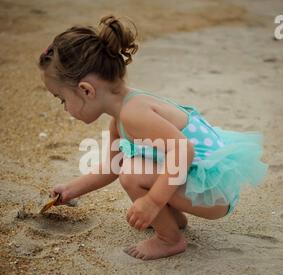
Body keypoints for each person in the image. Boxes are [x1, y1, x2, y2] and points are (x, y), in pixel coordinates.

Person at [38, 14, 269, 260]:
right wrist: (72, 189)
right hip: (203, 186)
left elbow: (183, 150)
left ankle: (169, 239)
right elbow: (109, 168)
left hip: (213, 192)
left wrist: (153, 202)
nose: (64, 107)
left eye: (62, 99)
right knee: (129, 167)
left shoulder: (133, 113)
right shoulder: (119, 119)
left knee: (133, 173)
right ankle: (174, 221)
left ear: (86, 90)